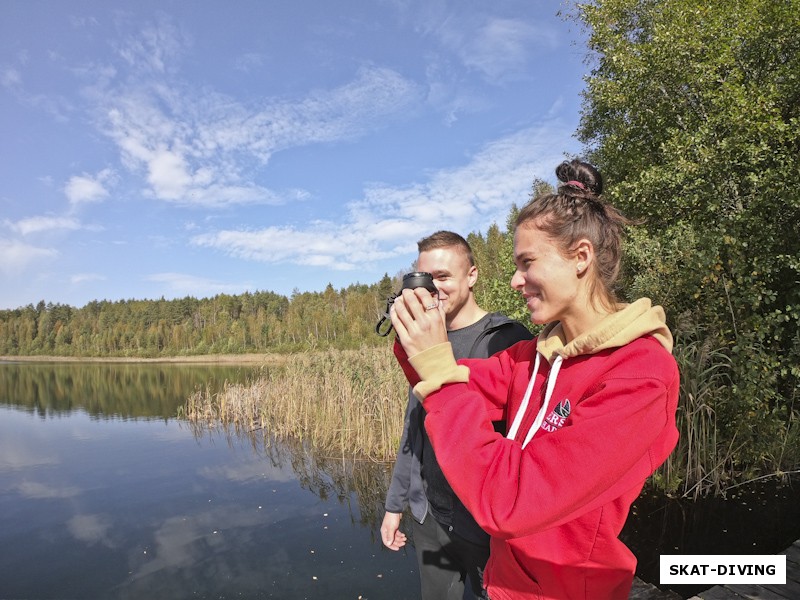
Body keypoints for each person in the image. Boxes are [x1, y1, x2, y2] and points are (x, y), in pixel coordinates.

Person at [389, 160, 680, 600]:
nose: (515, 280)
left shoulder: (640, 375)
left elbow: (513, 503)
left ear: (580, 257)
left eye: (527, 263)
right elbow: (455, 381)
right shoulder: (537, 356)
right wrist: (413, 332)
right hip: (505, 581)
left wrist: (437, 368)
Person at [380, 230, 532, 600]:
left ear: (472, 275)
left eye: (444, 277)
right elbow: (414, 427)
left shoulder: (507, 339)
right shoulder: (421, 339)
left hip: (484, 523)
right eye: (425, 279)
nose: (434, 289)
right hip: (429, 513)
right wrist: (394, 505)